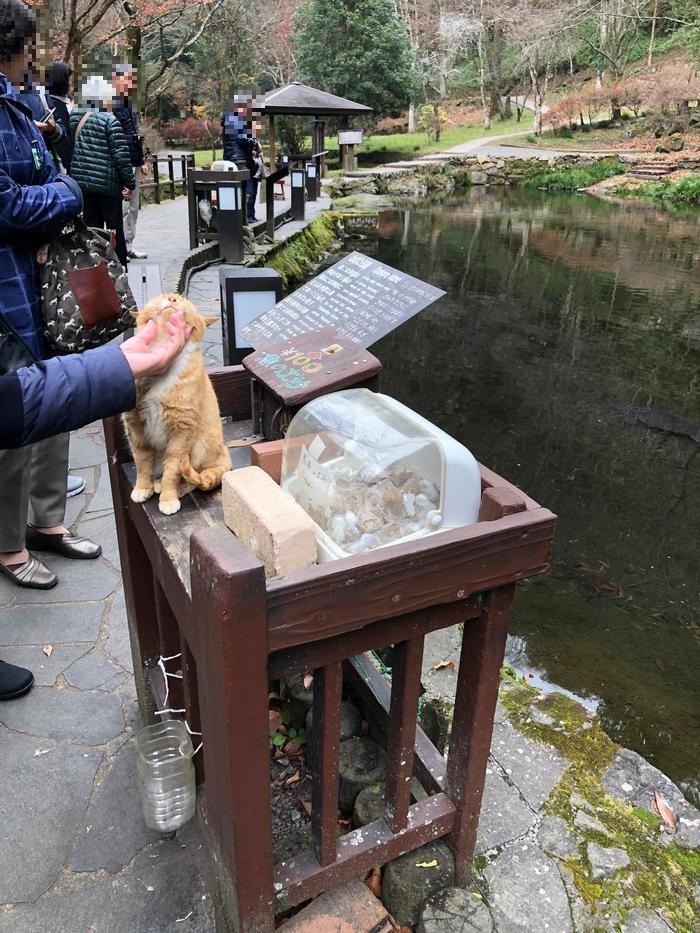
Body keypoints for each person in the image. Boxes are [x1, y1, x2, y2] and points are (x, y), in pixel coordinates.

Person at [0, 312, 192, 700]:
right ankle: (9, 545)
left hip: (34, 308)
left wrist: (115, 366)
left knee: (39, 415)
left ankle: (46, 523)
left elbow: (25, 398)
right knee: (12, 446)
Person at [0, 0, 102, 593]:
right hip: (6, 295)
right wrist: (65, 195)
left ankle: (49, 522)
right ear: (15, 45)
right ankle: (9, 542)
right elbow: (9, 202)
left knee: (55, 401)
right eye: (30, 46)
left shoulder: (22, 100)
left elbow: (45, 170)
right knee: (15, 414)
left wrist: (56, 182)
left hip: (40, 284)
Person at [69, 75, 135, 267]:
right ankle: (119, 267)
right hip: (107, 185)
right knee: (115, 229)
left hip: (84, 185)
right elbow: (121, 156)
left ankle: (95, 268)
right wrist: (129, 183)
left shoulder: (75, 117)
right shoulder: (109, 120)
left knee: (92, 230)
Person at [112, 63, 148, 259]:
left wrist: (141, 160)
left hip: (133, 160)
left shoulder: (129, 104)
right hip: (121, 162)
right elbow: (116, 138)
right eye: (127, 79)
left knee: (133, 207)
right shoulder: (111, 104)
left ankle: (129, 244)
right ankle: (120, 249)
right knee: (123, 207)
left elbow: (134, 134)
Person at [221, 92, 261, 224]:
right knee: (248, 188)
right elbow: (242, 139)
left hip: (234, 158)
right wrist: (255, 144)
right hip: (239, 160)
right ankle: (246, 217)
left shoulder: (230, 118)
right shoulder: (234, 118)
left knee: (244, 188)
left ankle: (245, 216)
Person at [45, 60, 74, 171]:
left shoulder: (61, 102)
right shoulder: (56, 106)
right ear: (59, 81)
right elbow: (64, 143)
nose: (70, 83)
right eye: (67, 79)